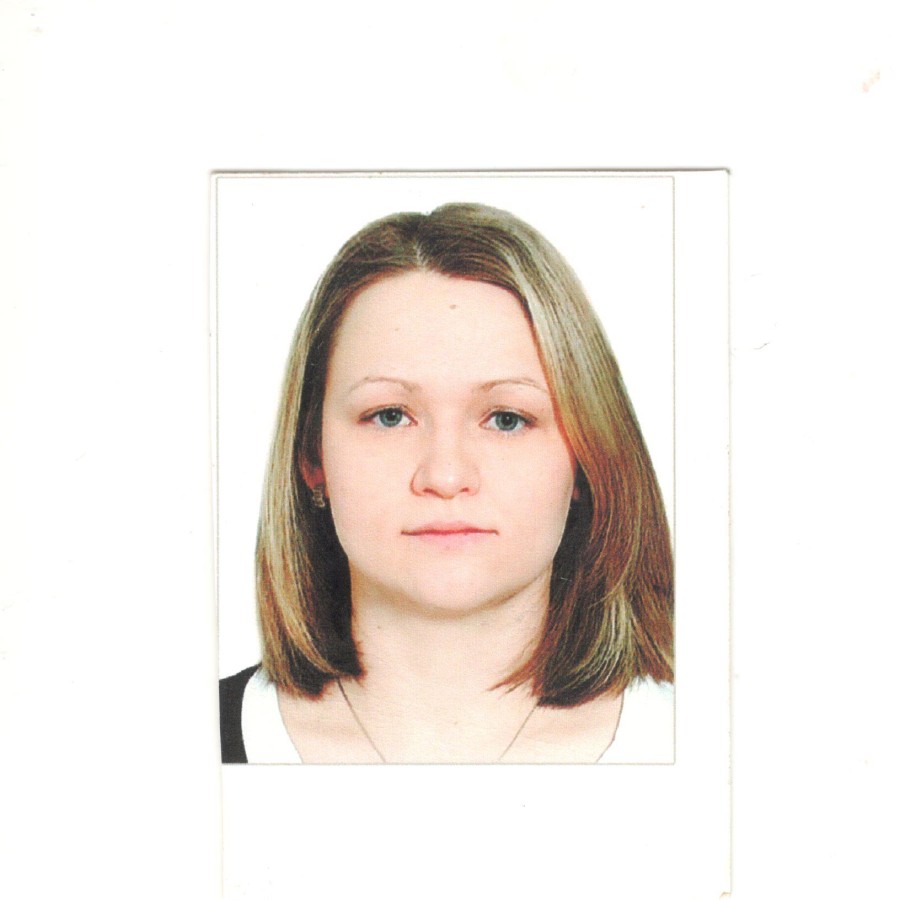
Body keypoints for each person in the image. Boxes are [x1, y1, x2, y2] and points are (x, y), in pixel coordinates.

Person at [219, 202, 674, 764]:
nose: (445, 476)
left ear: (587, 455)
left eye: (506, 419)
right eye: (390, 416)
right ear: (312, 456)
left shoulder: (720, 747)